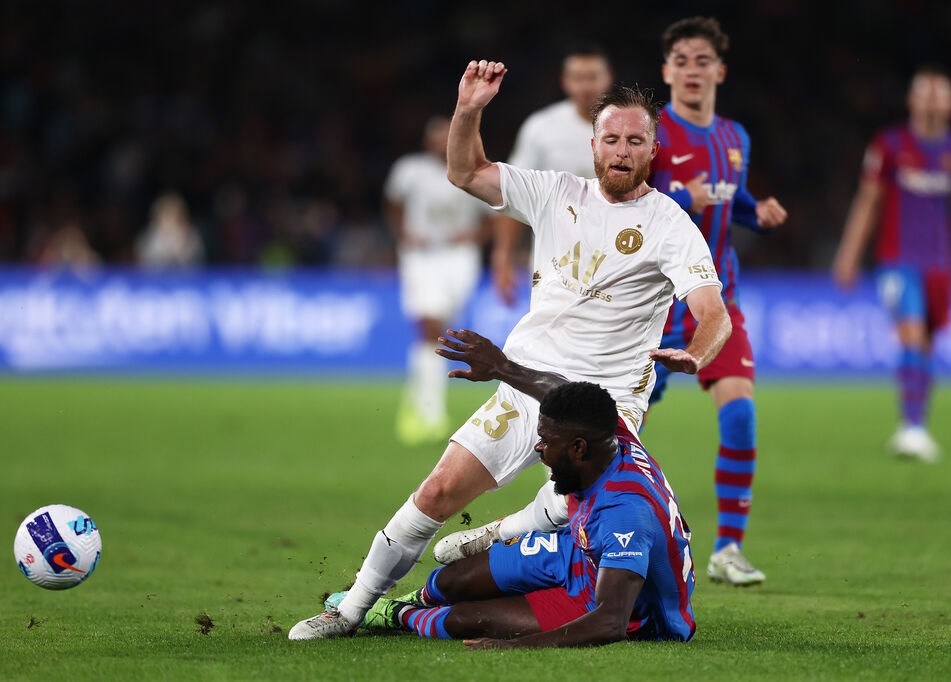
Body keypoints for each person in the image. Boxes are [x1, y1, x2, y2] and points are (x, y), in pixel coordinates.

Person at [288, 60, 731, 640]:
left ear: (653, 149)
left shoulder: (668, 222)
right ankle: (348, 611)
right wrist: (468, 110)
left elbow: (713, 313)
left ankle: (505, 532)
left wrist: (696, 353)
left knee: (565, 505)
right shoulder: (554, 192)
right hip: (525, 385)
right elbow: (466, 171)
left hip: (606, 405)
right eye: (612, 139)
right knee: (437, 491)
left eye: (635, 140)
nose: (622, 150)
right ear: (593, 144)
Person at [328, 329, 696, 647]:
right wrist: (501, 368)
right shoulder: (609, 431)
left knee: (466, 620)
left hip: (631, 612)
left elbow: (611, 621)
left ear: (579, 448)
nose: (538, 448)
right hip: (583, 555)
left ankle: (396, 616)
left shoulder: (624, 511)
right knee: (454, 578)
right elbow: (558, 388)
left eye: (546, 441)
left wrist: (516, 647)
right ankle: (412, 601)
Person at [648, 17, 786, 585]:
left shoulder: (736, 137)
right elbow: (626, 197)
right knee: (614, 425)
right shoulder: (650, 130)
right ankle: (573, 528)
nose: (691, 70)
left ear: (719, 71)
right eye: (680, 60)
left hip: (716, 303)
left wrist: (760, 214)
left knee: (741, 416)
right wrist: (682, 195)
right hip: (654, 303)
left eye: (702, 60)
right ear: (666, 72)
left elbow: (733, 202)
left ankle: (727, 549)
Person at [832, 65, 951, 461]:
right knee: (910, 333)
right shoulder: (890, 145)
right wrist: (848, 253)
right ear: (911, 100)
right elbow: (868, 201)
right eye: (923, 92)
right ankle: (910, 428)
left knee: (925, 345)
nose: (930, 99)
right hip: (896, 261)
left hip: (939, 266)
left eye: (938, 92)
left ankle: (918, 425)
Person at [383, 116, 493, 445]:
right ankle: (430, 410)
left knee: (442, 331)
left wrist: (474, 236)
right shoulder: (409, 170)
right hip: (422, 256)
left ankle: (418, 395)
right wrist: (402, 234)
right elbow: (393, 203)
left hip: (460, 258)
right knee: (428, 325)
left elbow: (494, 214)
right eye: (436, 137)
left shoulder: (475, 169)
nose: (440, 143)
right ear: (426, 141)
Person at [491, 45, 614, 305]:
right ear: (565, 82)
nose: (585, 86)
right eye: (578, 78)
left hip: (617, 255)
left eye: (593, 77)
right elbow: (513, 190)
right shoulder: (541, 129)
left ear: (608, 78)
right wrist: (503, 255)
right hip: (555, 260)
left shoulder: (629, 127)